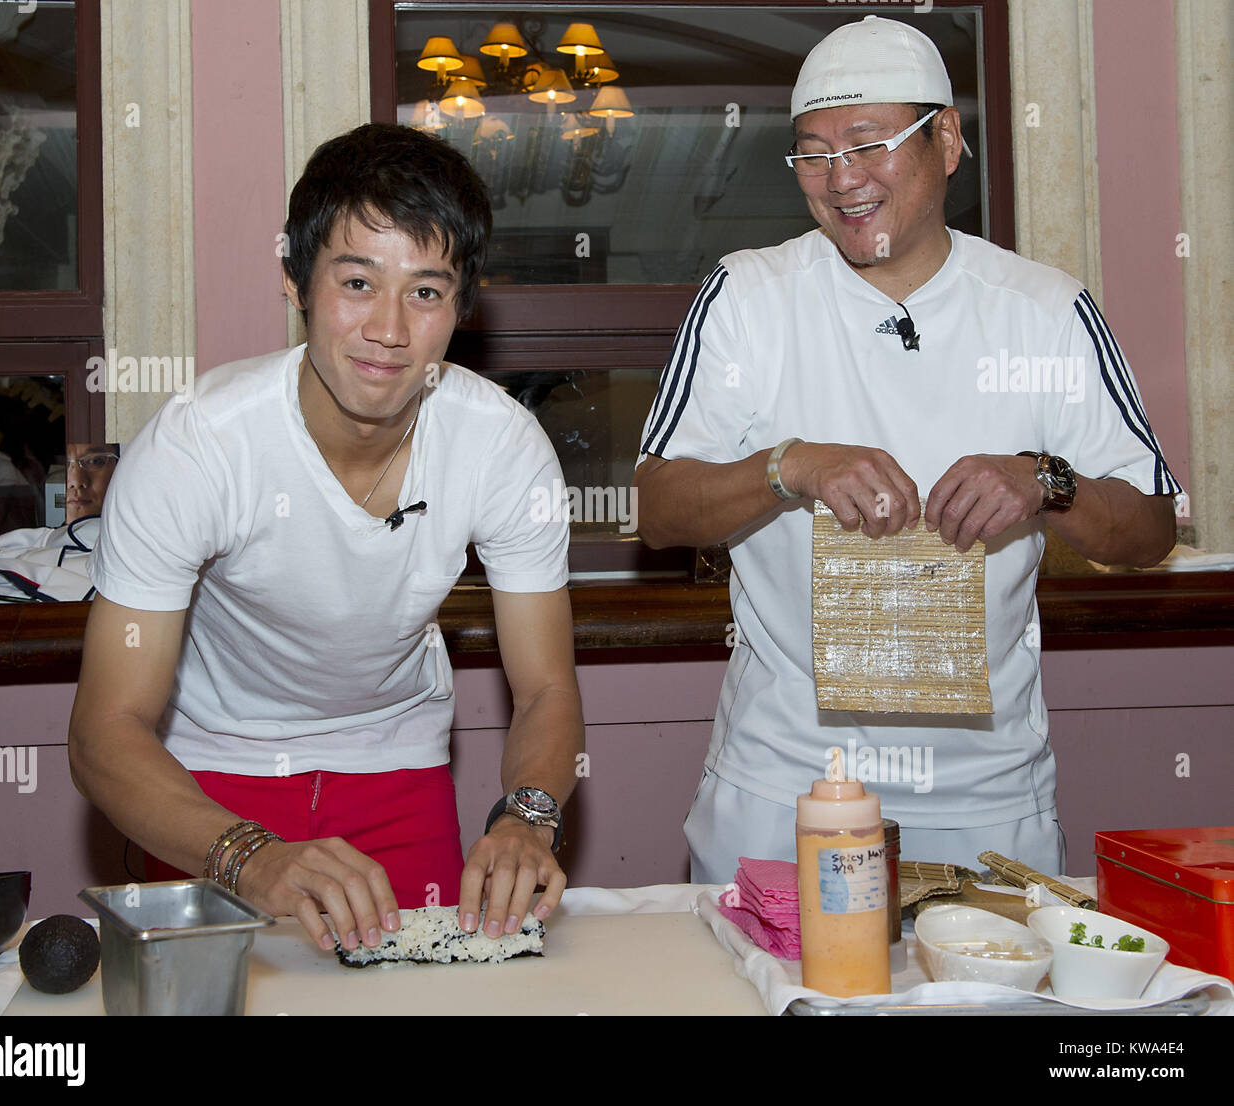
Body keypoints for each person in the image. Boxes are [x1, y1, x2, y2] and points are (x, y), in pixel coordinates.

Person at [634, 16, 1178, 881]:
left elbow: (1151, 528)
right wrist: (789, 466)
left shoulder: (1043, 309)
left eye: (869, 142)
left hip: (986, 796)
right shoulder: (749, 297)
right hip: (787, 787)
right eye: (812, 151)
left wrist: (1047, 482)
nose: (840, 177)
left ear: (948, 139)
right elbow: (657, 508)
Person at [69, 123, 584, 954]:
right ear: (295, 283)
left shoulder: (502, 444)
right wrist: (247, 856)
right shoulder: (199, 443)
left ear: (462, 307)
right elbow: (104, 731)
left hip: (399, 764)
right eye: (356, 281)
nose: (388, 328)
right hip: (206, 775)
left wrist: (527, 817)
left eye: (425, 292)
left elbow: (547, 691)